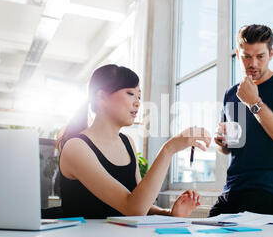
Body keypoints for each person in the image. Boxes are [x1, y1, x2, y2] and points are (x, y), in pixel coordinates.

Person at [53, 64, 211, 219]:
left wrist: (169, 213)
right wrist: (168, 149)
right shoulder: (76, 147)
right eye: (130, 93)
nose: (137, 102)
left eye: (139, 96)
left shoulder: (127, 142)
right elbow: (133, 208)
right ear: (101, 97)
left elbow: (139, 202)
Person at [210, 24, 273, 217]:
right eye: (246, 56)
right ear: (238, 54)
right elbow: (229, 147)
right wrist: (221, 141)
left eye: (260, 56)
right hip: (232, 189)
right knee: (209, 236)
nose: (252, 63)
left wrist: (254, 102)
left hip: (269, 189)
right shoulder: (231, 93)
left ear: (271, 54)